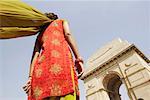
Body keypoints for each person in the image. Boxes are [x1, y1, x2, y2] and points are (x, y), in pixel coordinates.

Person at [23, 13, 84, 100]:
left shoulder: (40, 35)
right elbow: (68, 35)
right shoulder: (61, 21)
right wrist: (79, 59)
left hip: (42, 68)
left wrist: (30, 77)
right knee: (66, 91)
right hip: (62, 61)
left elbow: (35, 54)